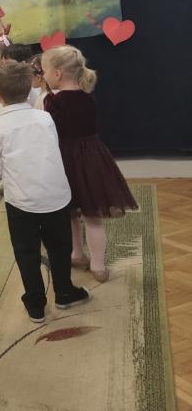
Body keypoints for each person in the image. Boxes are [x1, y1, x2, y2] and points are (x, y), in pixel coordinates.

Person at [0, 62, 91, 323]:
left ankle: (35, 303)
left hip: (20, 202)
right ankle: (64, 292)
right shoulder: (45, 118)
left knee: (26, 252)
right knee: (60, 246)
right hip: (55, 196)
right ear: (30, 87)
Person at [41, 46, 138, 283]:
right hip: (92, 157)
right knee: (92, 216)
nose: (43, 75)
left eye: (44, 71)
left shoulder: (52, 101)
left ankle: (78, 254)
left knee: (71, 212)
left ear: (57, 74)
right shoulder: (88, 96)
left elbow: (51, 132)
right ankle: (97, 266)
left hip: (65, 159)